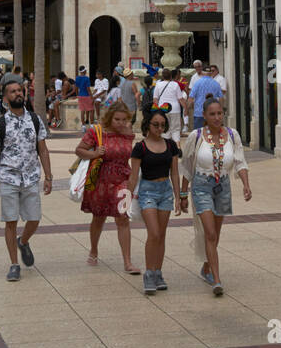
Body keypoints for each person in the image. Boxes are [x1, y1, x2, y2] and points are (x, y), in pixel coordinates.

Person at [179, 97, 252, 296]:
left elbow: (239, 161)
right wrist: (183, 194)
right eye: (212, 114)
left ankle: (206, 266)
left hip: (223, 187)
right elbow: (187, 166)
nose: (217, 117)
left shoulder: (232, 135)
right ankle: (217, 279)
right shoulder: (197, 136)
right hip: (201, 185)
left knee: (215, 234)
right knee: (210, 232)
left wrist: (246, 185)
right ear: (204, 115)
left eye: (219, 113)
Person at [0, 75, 53, 282]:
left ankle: (23, 241)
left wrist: (48, 176)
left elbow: (43, 149)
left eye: (20, 91)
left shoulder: (35, 120)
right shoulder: (0, 125)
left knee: (34, 219)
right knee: (10, 221)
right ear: (5, 98)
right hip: (8, 178)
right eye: (13, 91)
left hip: (31, 177)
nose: (18, 94)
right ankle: (14, 264)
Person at [74, 103, 139, 274]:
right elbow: (79, 150)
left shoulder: (128, 132)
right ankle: (94, 250)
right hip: (101, 181)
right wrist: (94, 154)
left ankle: (127, 262)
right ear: (109, 117)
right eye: (117, 119)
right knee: (99, 217)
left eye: (124, 119)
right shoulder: (97, 131)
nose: (121, 123)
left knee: (123, 218)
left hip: (122, 180)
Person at [128, 107, 182, 294]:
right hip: (147, 192)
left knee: (162, 235)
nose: (160, 128)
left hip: (165, 190)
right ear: (148, 125)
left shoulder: (171, 145)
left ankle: (158, 272)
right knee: (154, 233)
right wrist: (125, 198)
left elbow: (175, 172)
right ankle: (149, 273)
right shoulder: (140, 148)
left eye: (162, 125)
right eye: (156, 125)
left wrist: (178, 196)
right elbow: (133, 176)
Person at [187, 64, 225, 137]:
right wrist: (221, 110)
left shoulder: (197, 83)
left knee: (198, 135)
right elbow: (221, 98)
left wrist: (187, 109)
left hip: (199, 113)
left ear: (203, 72)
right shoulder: (216, 84)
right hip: (212, 114)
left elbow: (191, 98)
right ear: (210, 73)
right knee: (212, 134)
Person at [152, 68, 184, 142]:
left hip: (163, 109)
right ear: (171, 76)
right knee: (176, 129)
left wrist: (155, 111)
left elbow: (155, 99)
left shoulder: (158, 84)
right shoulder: (175, 84)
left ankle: (166, 147)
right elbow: (180, 99)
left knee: (165, 128)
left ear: (162, 76)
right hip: (175, 109)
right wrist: (185, 108)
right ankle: (177, 147)